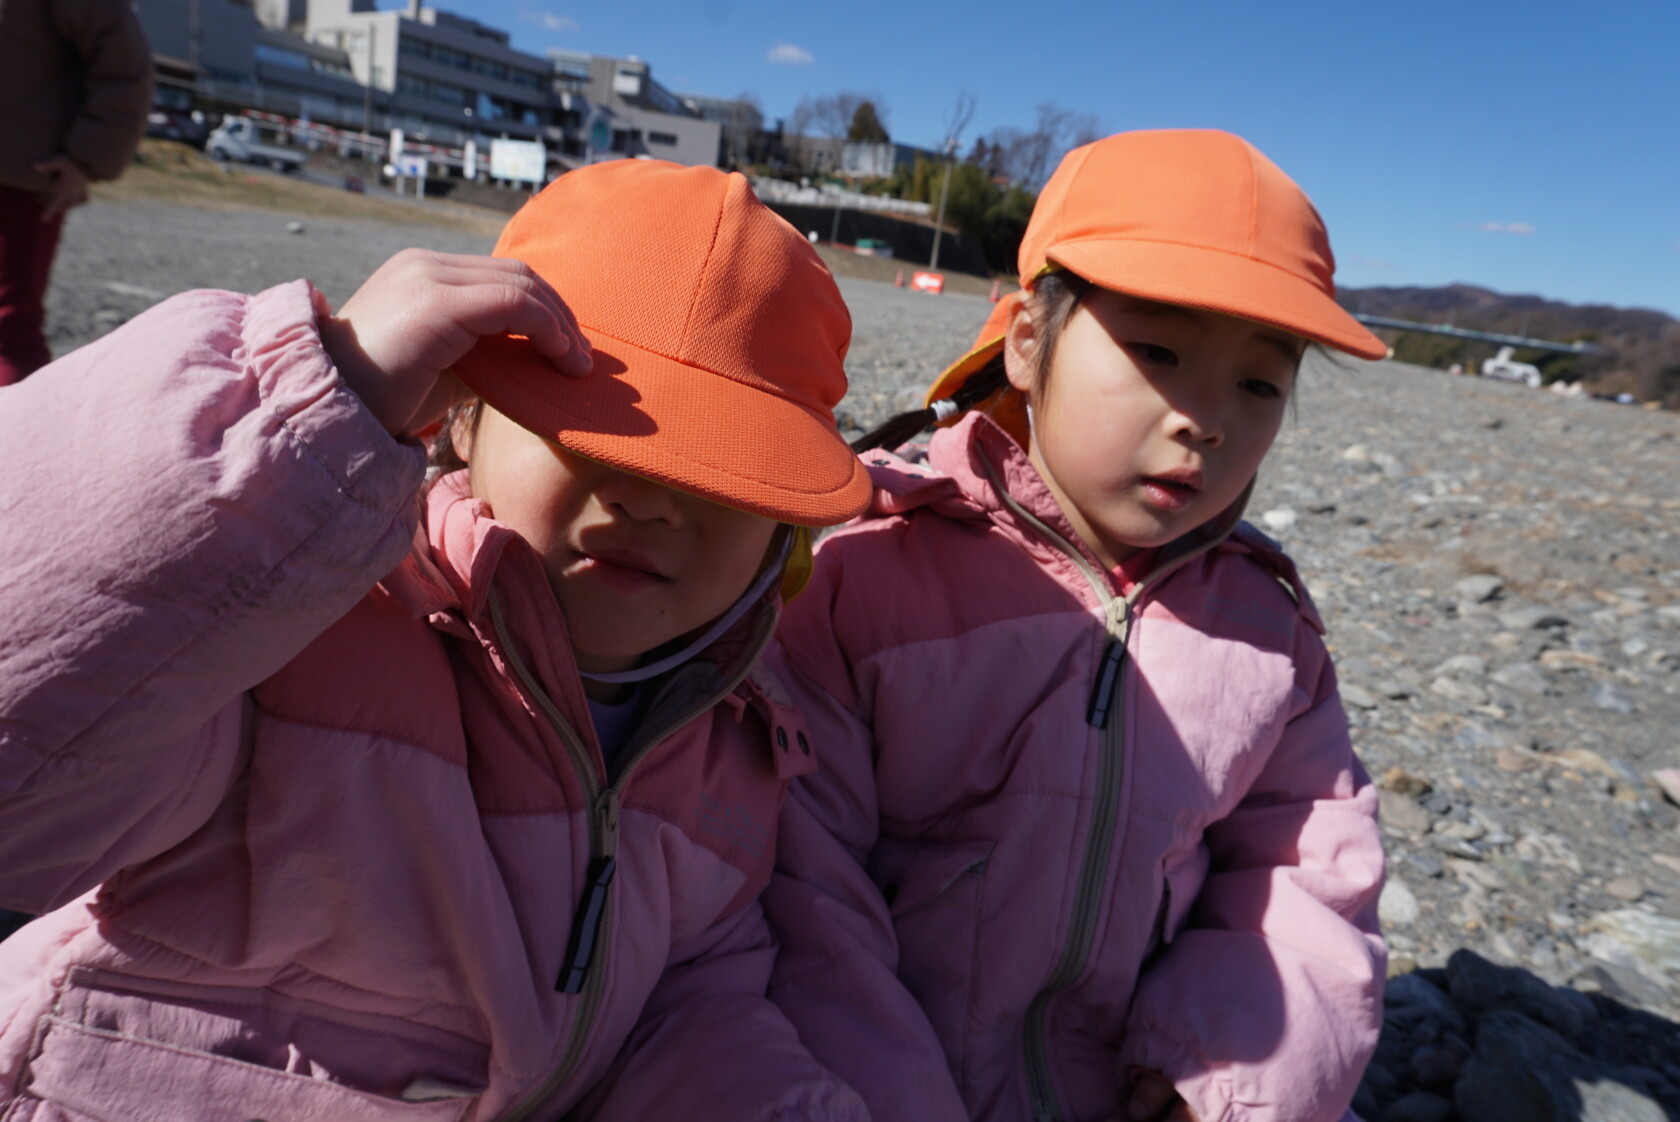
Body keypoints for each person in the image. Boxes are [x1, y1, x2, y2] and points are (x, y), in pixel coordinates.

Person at [0, 160, 874, 1120]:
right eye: (589, 432)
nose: (648, 499)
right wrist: (294, 424)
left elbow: (695, 1000)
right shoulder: (295, 628)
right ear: (463, 418)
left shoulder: (732, 751)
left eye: (722, 467)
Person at [765, 129, 1389, 1122]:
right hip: (888, 1083)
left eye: (1259, 384)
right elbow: (801, 886)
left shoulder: (1268, 635)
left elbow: (1308, 876)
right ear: (1026, 342)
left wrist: (1222, 1070)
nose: (1206, 419)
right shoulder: (872, 576)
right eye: (1158, 352)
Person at [0, 0, 153, 386]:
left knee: (7, 334)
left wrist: (86, 158)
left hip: (19, 177)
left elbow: (126, 64)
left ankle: (21, 423)